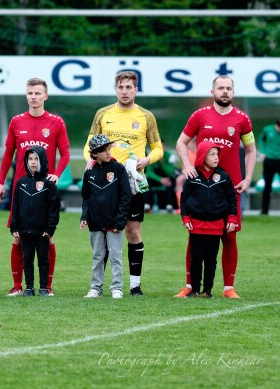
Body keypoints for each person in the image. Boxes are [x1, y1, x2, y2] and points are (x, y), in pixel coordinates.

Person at [174, 76, 255, 299]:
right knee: (195, 237)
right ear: (213, 91)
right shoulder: (200, 116)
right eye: (221, 88)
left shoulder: (242, 119)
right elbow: (181, 142)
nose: (225, 91)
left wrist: (247, 178)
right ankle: (190, 285)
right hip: (202, 187)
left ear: (233, 92)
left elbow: (250, 150)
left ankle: (228, 288)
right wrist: (188, 164)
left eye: (229, 88)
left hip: (230, 189)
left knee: (229, 237)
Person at [84, 70, 163, 296]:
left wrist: (147, 159)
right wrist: (91, 159)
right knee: (103, 230)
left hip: (131, 181)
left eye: (129, 87)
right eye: (121, 87)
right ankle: (100, 287)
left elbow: (158, 149)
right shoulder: (103, 114)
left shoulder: (146, 116)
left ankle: (134, 285)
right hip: (104, 182)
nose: (125, 91)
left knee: (133, 231)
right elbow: (90, 143)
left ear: (136, 89)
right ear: (116, 89)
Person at [0, 78, 69, 296]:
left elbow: (64, 153)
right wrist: (1, 183)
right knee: (18, 235)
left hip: (45, 191)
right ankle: (18, 286)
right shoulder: (17, 121)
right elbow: (8, 154)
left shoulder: (56, 122)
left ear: (46, 96)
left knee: (47, 235)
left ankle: (47, 286)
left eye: (37, 93)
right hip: (22, 190)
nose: (33, 97)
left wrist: (56, 175)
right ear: (26, 95)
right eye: (30, 93)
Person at [179, 141, 239, 298]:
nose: (216, 157)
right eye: (212, 154)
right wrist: (185, 217)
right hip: (196, 226)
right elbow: (184, 199)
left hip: (216, 226)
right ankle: (194, 289)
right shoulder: (192, 177)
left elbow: (232, 199)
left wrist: (232, 217)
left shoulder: (224, 177)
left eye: (217, 154)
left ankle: (207, 290)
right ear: (202, 156)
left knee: (211, 260)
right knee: (196, 259)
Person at [80, 135, 131, 299]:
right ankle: (95, 288)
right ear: (95, 153)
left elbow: (125, 197)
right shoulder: (89, 172)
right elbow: (86, 197)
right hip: (95, 222)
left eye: (109, 149)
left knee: (116, 256)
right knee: (98, 256)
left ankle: (117, 288)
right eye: (104, 150)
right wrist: (84, 216)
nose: (109, 152)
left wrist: (120, 221)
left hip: (114, 222)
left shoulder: (119, 169)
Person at [8, 146, 60, 297]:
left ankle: (44, 288)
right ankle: (29, 287)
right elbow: (15, 206)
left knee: (43, 260)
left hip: (42, 231)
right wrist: (14, 225)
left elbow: (53, 208)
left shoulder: (49, 182)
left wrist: (50, 228)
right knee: (27, 260)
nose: (33, 162)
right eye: (30, 159)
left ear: (42, 160)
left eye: (36, 159)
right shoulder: (21, 182)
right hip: (25, 230)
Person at [258, 119, 280, 215]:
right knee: (267, 186)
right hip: (269, 160)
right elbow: (261, 140)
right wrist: (262, 151)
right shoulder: (267, 130)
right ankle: (264, 211)